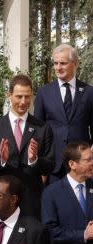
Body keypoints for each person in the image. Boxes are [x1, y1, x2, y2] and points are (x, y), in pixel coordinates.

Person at [0, 74, 54, 217]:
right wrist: (2, 160)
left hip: (31, 201)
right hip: (2, 201)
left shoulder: (42, 128)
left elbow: (50, 165)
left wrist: (35, 160)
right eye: (19, 96)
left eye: (27, 97)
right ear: (10, 95)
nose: (23, 101)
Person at [33, 44, 93, 182]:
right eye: (55, 63)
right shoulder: (44, 92)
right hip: (53, 167)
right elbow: (38, 131)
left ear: (75, 63)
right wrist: (41, 166)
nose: (58, 67)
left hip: (82, 165)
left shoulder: (89, 92)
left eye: (63, 63)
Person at [42, 141, 93, 244]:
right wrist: (83, 235)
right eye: (88, 160)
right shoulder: (52, 192)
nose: (92, 162)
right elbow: (50, 231)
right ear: (72, 164)